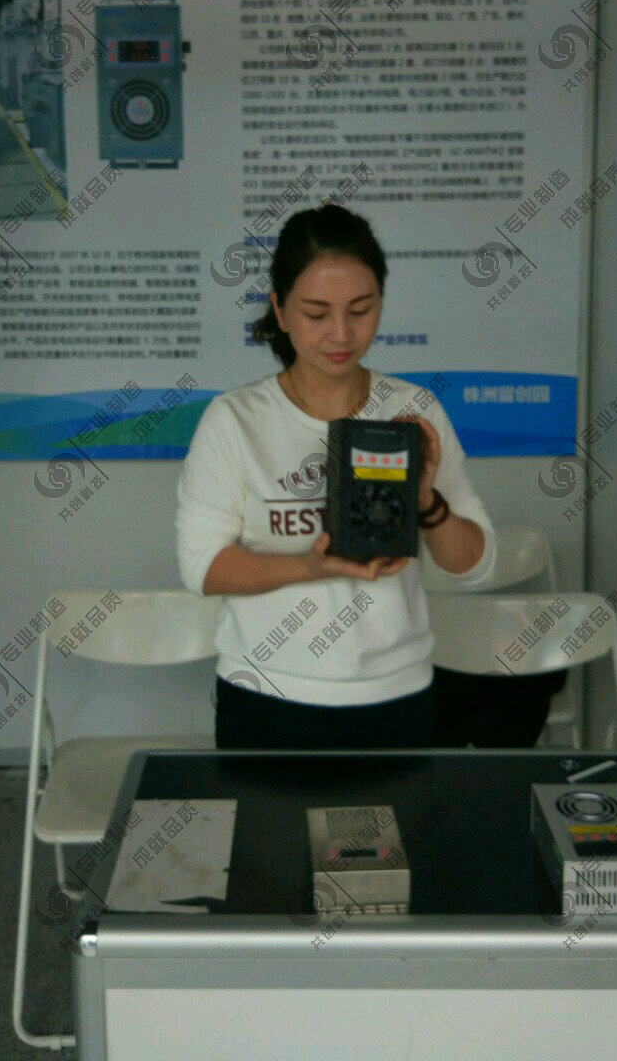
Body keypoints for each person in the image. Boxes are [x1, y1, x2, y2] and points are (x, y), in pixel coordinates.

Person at [174, 203, 497, 751]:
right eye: (316, 313)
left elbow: (476, 566)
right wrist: (310, 566)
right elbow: (201, 568)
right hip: (267, 696)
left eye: (361, 310)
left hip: (398, 695)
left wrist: (427, 503)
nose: (341, 333)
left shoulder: (413, 412)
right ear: (280, 310)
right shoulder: (235, 420)